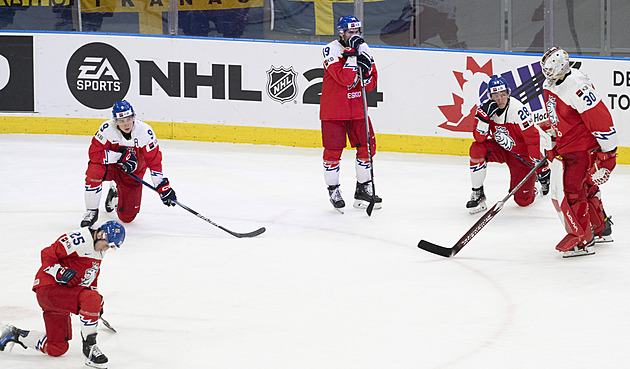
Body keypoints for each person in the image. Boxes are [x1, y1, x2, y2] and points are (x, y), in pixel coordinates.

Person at [0, 221, 126, 368]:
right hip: (49, 288)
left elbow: (91, 278)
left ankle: (14, 334)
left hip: (62, 297)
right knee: (91, 299)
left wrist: (96, 303)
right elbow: (47, 254)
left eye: (110, 247)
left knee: (57, 347)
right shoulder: (80, 238)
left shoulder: (99, 251)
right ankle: (90, 348)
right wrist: (59, 271)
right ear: (100, 234)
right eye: (107, 244)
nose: (107, 249)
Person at [540, 46, 616, 257]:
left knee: (572, 192)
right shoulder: (551, 84)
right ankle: (601, 229)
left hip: (582, 149)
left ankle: (583, 240)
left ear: (561, 66)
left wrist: (608, 154)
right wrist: (553, 142)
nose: (547, 74)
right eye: (545, 69)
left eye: (550, 69)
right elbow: (557, 117)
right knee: (586, 188)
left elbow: (600, 118)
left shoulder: (577, 86)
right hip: (569, 147)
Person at [81, 100, 177, 228]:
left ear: (133, 117)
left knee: (127, 218)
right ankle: (91, 212)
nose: (126, 124)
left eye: (128, 118)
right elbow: (94, 154)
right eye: (121, 121)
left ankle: (114, 197)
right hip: (112, 167)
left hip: (132, 173)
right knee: (94, 170)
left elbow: (154, 162)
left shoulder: (145, 132)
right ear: (115, 121)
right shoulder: (107, 129)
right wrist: (120, 157)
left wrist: (161, 185)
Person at [320, 15, 382, 212]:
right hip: (334, 111)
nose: (354, 36)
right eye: (350, 32)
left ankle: (363, 188)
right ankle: (334, 189)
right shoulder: (330, 49)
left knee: (367, 148)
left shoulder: (364, 48)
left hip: (358, 109)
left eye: (357, 32)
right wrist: (352, 56)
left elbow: (371, 85)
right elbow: (345, 79)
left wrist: (366, 72)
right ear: (341, 33)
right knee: (333, 152)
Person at [467, 75, 550, 214]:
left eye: (503, 95)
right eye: (495, 96)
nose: (500, 100)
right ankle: (477, 192)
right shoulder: (484, 109)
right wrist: (483, 119)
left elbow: (532, 139)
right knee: (476, 149)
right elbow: (479, 139)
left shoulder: (517, 110)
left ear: (508, 93)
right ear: (490, 96)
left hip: (521, 156)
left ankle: (532, 186)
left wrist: (541, 167)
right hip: (502, 149)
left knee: (523, 201)